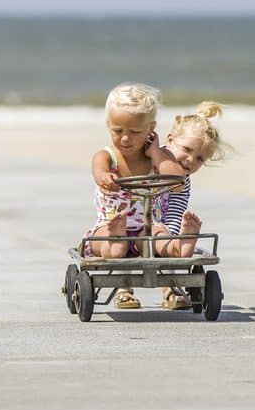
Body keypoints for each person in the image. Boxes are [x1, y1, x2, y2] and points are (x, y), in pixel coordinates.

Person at [83, 82, 185, 309]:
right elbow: (98, 170)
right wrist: (104, 178)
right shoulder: (107, 155)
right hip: (110, 223)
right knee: (107, 242)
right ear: (109, 125)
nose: (125, 139)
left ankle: (180, 249)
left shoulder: (158, 156)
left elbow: (178, 180)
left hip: (147, 225)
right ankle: (118, 260)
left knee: (158, 237)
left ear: (151, 129)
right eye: (117, 131)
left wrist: (157, 152)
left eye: (135, 132)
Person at [151, 101, 232, 309]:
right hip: (132, 221)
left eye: (199, 159)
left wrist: (174, 233)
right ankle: (125, 290)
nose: (190, 160)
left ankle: (173, 280)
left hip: (159, 228)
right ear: (170, 140)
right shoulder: (148, 160)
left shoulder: (183, 181)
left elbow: (175, 212)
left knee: (166, 238)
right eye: (186, 149)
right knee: (132, 235)